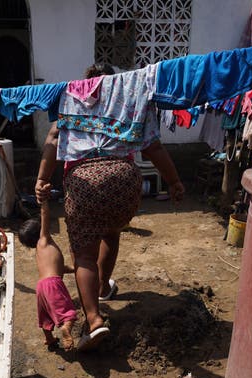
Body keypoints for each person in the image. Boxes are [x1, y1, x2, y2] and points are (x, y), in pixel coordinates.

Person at [35, 63, 185, 351]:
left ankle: (93, 319)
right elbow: (153, 146)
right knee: (111, 232)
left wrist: (42, 179)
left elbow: (53, 139)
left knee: (84, 255)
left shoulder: (70, 98)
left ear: (85, 82)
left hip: (84, 181)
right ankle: (103, 288)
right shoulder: (132, 97)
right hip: (124, 180)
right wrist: (174, 181)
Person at [18, 200, 77, 351]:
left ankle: (49, 339)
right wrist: (44, 201)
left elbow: (59, 268)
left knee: (45, 317)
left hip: (41, 287)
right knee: (68, 314)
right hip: (53, 284)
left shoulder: (40, 251)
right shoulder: (44, 240)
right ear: (40, 231)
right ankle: (66, 329)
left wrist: (75, 269)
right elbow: (45, 214)